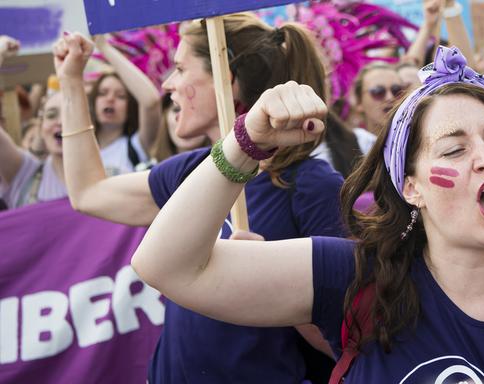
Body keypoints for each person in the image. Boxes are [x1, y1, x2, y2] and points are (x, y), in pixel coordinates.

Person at [131, 46, 484, 382]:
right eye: (453, 150)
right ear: (411, 187)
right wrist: (245, 145)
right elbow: (165, 265)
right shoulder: (354, 278)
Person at [53, 14, 346, 383]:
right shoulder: (191, 170)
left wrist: (271, 281)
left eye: (179, 68)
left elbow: (346, 338)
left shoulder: (310, 185)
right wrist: (71, 82)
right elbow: (88, 194)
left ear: (227, 80)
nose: (167, 84)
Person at [87, 35, 162, 175]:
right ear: (93, 103)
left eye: (121, 96)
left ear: (130, 109)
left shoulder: (136, 146)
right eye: (102, 93)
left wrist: (104, 47)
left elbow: (151, 103)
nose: (110, 99)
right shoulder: (80, 150)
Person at [0, 93, 69, 209]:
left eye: (70, 115)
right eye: (51, 115)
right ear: (41, 129)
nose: (61, 122)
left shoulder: (107, 173)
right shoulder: (25, 172)